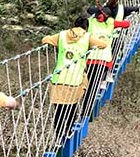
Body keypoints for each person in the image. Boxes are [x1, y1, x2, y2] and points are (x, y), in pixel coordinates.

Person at [42, 15, 107, 147]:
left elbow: (45, 40)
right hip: (75, 80)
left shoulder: (61, 35)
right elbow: (103, 44)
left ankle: (58, 137)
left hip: (58, 79)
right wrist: (101, 37)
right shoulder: (87, 37)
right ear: (85, 27)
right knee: (71, 107)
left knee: (59, 110)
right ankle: (68, 131)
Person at [81, 7, 130, 116]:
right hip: (103, 61)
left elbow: (89, 10)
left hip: (90, 60)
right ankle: (87, 111)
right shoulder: (111, 24)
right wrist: (110, 19)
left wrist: (96, 11)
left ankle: (84, 105)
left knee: (88, 84)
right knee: (95, 86)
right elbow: (127, 24)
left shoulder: (91, 22)